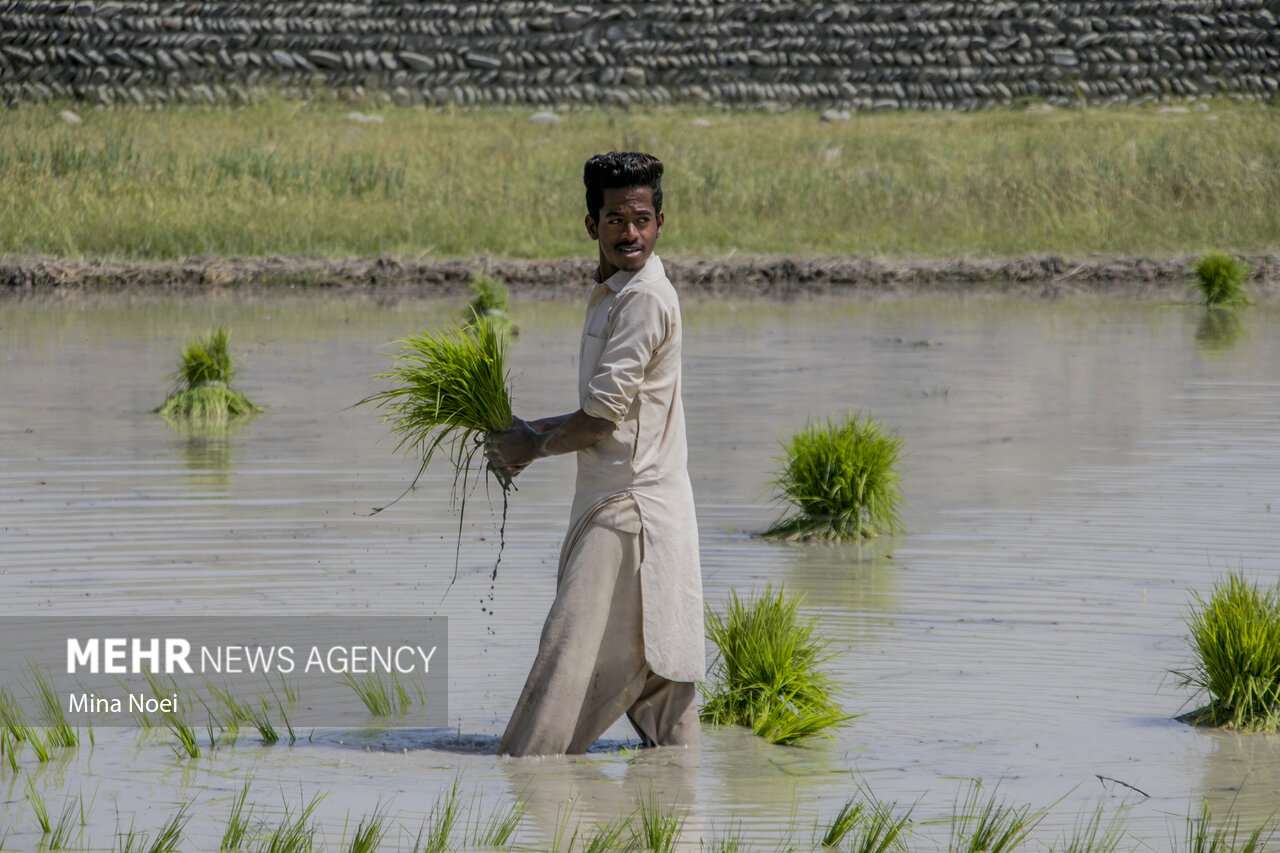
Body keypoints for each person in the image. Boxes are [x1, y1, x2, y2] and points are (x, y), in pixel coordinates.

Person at [485, 151, 703, 757]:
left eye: (640, 219)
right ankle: (682, 820)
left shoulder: (643, 300)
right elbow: (614, 410)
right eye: (613, 220)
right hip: (637, 505)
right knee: (665, 707)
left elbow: (603, 415)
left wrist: (532, 443)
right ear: (592, 225)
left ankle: (524, 787)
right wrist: (529, 435)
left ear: (661, 221)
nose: (628, 233)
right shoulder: (615, 293)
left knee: (564, 667)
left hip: (628, 514)